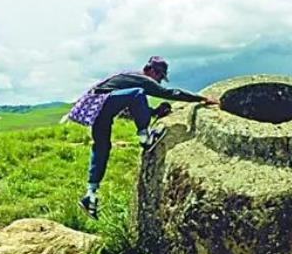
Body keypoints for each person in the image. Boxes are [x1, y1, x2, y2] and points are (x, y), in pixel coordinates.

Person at [64, 56, 219, 219]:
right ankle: (146, 139)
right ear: (151, 70)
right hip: (100, 103)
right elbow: (169, 93)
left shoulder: (128, 80)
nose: (158, 81)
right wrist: (201, 99)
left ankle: (90, 195)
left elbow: (131, 109)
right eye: (159, 76)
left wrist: (154, 112)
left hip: (98, 108)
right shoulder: (140, 79)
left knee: (102, 148)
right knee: (138, 93)